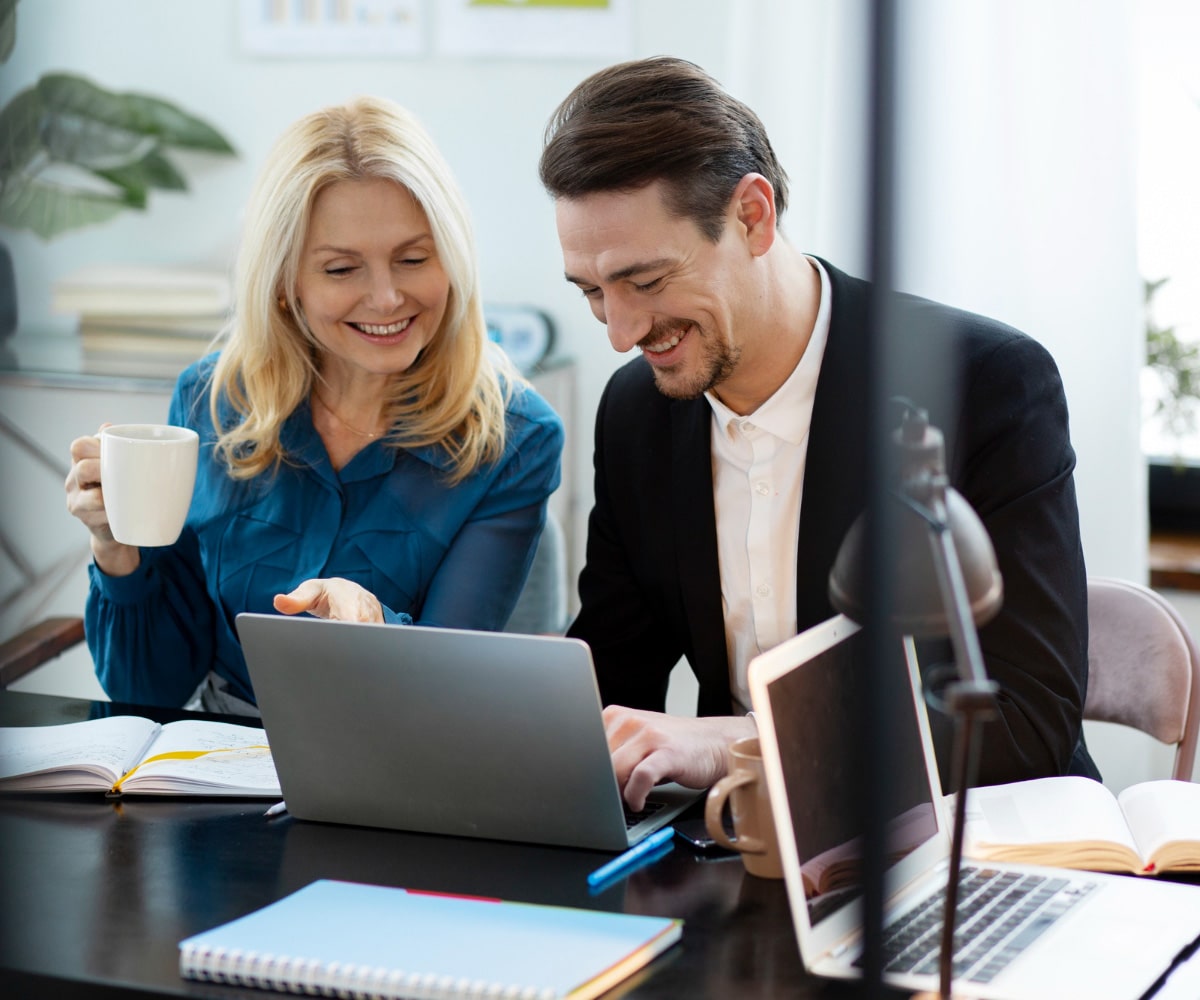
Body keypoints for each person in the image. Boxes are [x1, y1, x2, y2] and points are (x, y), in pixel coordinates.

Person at [538, 56, 1097, 810]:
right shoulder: (637, 410)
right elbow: (611, 677)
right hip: (746, 850)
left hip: (968, 845)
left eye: (645, 281)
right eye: (593, 293)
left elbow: (1026, 720)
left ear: (752, 216)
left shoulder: (985, 383)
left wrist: (732, 742)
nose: (622, 330)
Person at [66, 96, 563, 713]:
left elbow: (447, 693)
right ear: (283, 285)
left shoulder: (515, 438)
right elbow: (148, 691)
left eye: (413, 259)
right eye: (341, 269)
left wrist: (375, 624)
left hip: (395, 762)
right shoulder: (211, 400)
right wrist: (116, 550)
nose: (386, 298)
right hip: (218, 763)